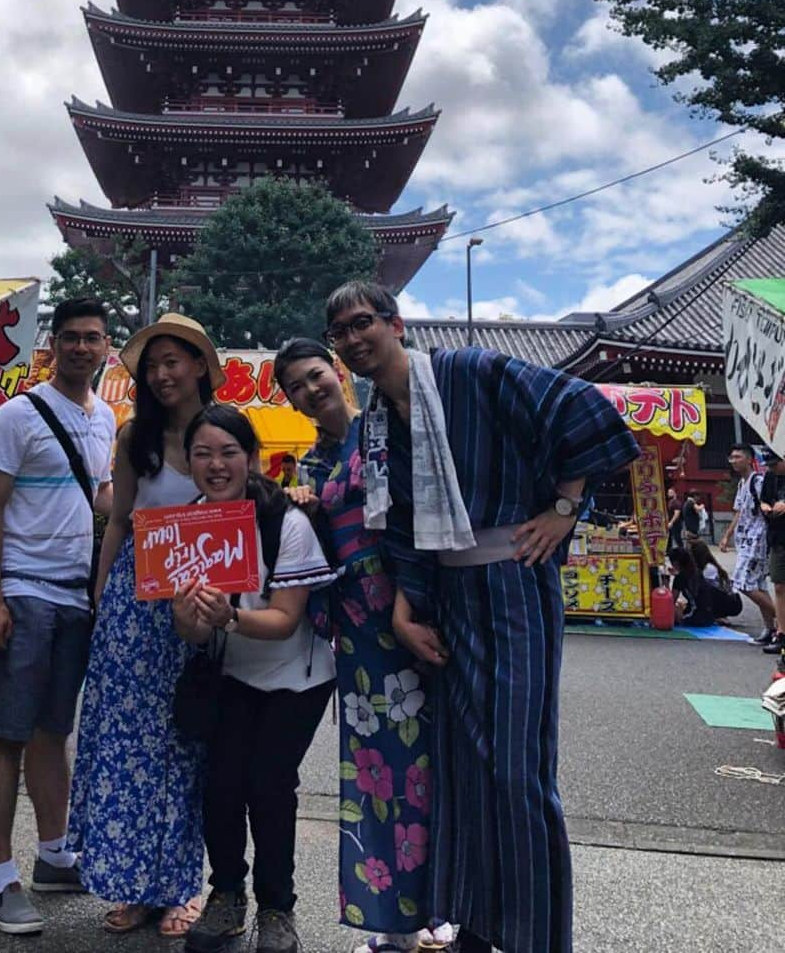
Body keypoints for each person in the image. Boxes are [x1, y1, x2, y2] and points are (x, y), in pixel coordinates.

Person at [323, 281, 640, 953]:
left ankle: (536, 937)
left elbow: (578, 406)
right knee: (462, 764)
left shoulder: (470, 370)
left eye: (363, 323)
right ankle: (476, 924)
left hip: (513, 581)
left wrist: (564, 509)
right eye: (341, 332)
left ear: (395, 323)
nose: (354, 340)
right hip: (446, 596)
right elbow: (400, 523)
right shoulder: (377, 419)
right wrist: (407, 606)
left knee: (516, 770)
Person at [273, 336, 454, 953]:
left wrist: (412, 597)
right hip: (357, 630)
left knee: (438, 762)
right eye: (295, 385)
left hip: (413, 606)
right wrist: (300, 508)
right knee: (376, 771)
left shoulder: (387, 429)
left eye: (314, 374)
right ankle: (394, 921)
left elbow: (417, 511)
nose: (309, 389)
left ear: (338, 372)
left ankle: (445, 907)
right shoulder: (308, 467)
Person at [67, 314, 222, 938]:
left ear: (199, 367)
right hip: (135, 602)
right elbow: (123, 520)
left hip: (202, 600)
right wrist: (101, 594)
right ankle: (134, 884)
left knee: (187, 744)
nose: (161, 374)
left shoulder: (223, 431)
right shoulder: (137, 437)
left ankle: (186, 887)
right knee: (127, 745)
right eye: (152, 364)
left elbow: (244, 510)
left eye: (173, 361)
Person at [0, 297, 116, 936]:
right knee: (8, 733)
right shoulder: (16, 414)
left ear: (107, 347)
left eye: (93, 338)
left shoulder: (107, 416)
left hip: (75, 595)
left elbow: (103, 496)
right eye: (71, 338)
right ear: (52, 345)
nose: (82, 348)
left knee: (55, 730)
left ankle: (54, 853)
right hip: (25, 593)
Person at [173, 405, 337, 953]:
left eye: (228, 452)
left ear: (252, 459)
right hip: (232, 671)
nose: (216, 465)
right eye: (203, 453)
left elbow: (287, 620)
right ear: (188, 461)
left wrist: (230, 617)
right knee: (220, 784)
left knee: (268, 785)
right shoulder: (187, 524)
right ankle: (225, 895)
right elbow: (190, 633)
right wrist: (192, 617)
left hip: (298, 675)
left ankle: (276, 908)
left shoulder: (285, 522)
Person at [719, 445, 777, 645]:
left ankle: (781, 622)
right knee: (759, 585)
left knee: (743, 583)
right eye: (731, 457)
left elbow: (768, 506)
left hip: (757, 539)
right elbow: (739, 511)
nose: (734, 461)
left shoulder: (758, 481)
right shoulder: (742, 484)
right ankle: (771, 628)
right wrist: (727, 535)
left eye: (738, 457)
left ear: (749, 459)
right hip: (744, 539)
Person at [669, 546, 742, 625]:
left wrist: (666, 583)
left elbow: (671, 601)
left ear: (675, 563)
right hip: (709, 611)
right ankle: (716, 618)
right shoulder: (697, 571)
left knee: (677, 612)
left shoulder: (681, 578)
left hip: (700, 616)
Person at [759, 453, 785, 655]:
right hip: (777, 536)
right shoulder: (770, 477)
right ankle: (781, 634)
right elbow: (763, 500)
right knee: (779, 585)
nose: (772, 468)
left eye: (775, 464)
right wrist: (766, 506)